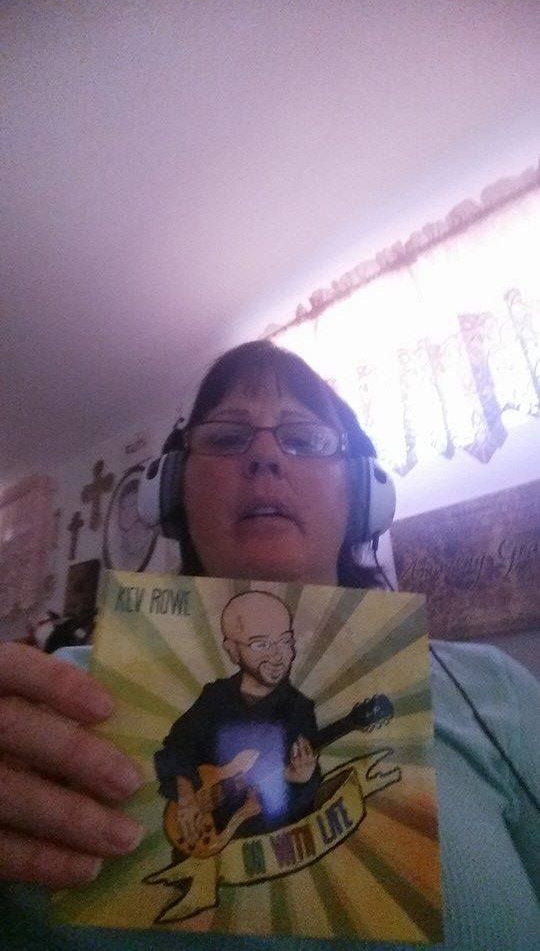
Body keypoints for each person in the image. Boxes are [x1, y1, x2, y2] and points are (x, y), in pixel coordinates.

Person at [0, 339, 539, 951]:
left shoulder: (490, 691)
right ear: (173, 494)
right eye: (227, 437)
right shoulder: (57, 692)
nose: (264, 457)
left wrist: (305, 782)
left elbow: (289, 801)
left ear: (364, 496)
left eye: (305, 439)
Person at [155, 589, 320, 847]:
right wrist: (187, 797)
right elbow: (177, 749)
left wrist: (301, 780)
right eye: (261, 644)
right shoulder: (215, 697)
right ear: (232, 651)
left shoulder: (300, 709)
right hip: (203, 836)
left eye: (285, 641)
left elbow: (303, 798)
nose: (278, 655)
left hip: (268, 844)